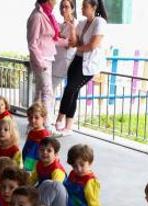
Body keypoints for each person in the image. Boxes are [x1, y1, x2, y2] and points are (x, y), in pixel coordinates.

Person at [55, 0, 107, 136]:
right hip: (77, 60)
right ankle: (68, 127)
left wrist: (76, 46)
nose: (82, 8)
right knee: (73, 91)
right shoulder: (82, 23)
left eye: (85, 6)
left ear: (94, 7)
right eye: (82, 6)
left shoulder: (100, 22)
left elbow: (92, 45)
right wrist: (72, 29)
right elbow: (74, 41)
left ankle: (59, 120)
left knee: (70, 89)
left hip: (89, 64)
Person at [27, 0, 73, 126]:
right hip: (42, 60)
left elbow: (50, 40)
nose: (56, 1)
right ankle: (47, 124)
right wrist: (41, 63)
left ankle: (34, 123)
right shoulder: (37, 16)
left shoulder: (47, 15)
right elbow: (32, 43)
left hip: (48, 58)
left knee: (40, 92)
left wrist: (67, 43)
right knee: (48, 92)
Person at [39, 143, 103, 206]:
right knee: (47, 182)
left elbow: (94, 201)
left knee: (56, 185)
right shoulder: (73, 173)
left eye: (82, 165)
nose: (78, 169)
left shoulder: (90, 181)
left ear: (90, 163)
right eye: (75, 166)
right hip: (66, 203)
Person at [52, 0, 78, 129]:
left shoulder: (77, 24)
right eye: (62, 7)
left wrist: (60, 38)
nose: (63, 9)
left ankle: (64, 123)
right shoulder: (59, 24)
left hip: (70, 62)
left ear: (72, 9)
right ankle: (50, 119)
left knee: (70, 93)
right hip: (57, 62)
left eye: (66, 7)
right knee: (51, 91)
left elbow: (72, 44)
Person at [22, 102, 52, 172]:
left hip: (37, 161)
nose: (33, 120)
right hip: (28, 159)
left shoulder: (44, 134)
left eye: (36, 118)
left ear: (43, 118)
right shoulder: (31, 131)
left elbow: (49, 149)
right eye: (30, 117)